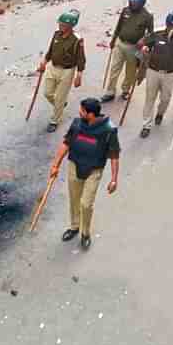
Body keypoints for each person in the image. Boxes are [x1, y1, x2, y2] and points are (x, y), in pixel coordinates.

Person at [49, 98, 120, 250]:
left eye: (82, 111)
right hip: (74, 166)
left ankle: (85, 233)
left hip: (94, 171)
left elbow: (114, 156)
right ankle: (75, 226)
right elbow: (66, 143)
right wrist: (56, 165)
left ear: (91, 114)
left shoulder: (109, 130)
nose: (79, 112)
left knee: (86, 204)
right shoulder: (76, 124)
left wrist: (114, 179)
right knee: (74, 200)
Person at [138, 10, 173, 138]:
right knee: (149, 98)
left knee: (165, 99)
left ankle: (160, 113)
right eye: (171, 25)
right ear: (167, 23)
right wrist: (144, 48)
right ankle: (146, 125)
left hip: (170, 74)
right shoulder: (157, 34)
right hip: (153, 71)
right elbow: (143, 43)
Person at [101, 0, 154, 103]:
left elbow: (151, 33)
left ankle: (125, 90)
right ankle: (110, 91)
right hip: (120, 43)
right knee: (114, 68)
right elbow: (119, 26)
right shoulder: (126, 11)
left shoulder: (147, 16)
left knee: (130, 71)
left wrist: (143, 39)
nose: (132, 5)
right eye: (131, 2)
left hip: (134, 47)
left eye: (134, 3)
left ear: (141, 4)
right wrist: (113, 39)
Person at [39, 9, 86, 133]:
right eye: (60, 24)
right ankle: (60, 104)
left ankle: (55, 120)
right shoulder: (56, 34)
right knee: (47, 93)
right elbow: (51, 50)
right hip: (53, 67)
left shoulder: (77, 40)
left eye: (63, 25)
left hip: (67, 71)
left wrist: (79, 75)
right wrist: (44, 61)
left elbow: (81, 59)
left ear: (71, 26)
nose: (61, 26)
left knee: (60, 97)